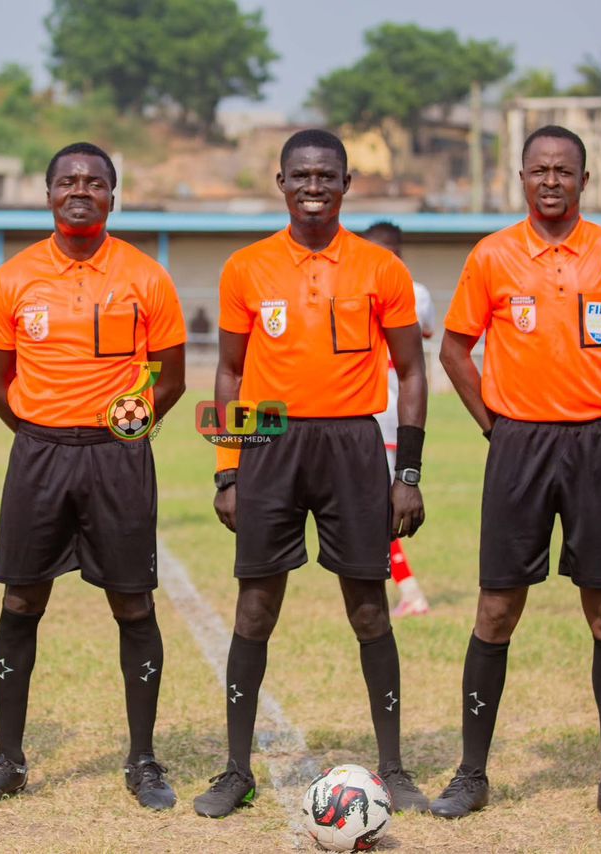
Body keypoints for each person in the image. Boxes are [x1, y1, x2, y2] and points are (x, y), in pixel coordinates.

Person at [193, 129, 431, 818]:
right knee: (255, 607)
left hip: (355, 443)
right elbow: (231, 372)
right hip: (270, 437)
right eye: (301, 175)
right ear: (281, 182)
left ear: (348, 183)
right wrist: (226, 471)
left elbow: (413, 373)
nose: (314, 186)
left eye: (327, 175)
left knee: (366, 608)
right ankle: (235, 769)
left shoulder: (379, 268)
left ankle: (393, 767)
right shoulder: (247, 267)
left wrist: (406, 471)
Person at [432, 125, 601, 827]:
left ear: (585, 182)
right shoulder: (493, 256)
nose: (553, 181)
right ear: (522, 179)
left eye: (565, 170)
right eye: (540, 170)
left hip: (597, 446)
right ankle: (472, 775)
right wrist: (495, 426)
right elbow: (453, 350)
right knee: (497, 610)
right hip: (518, 446)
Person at [0, 142, 187, 811]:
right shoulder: (14, 278)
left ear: (113, 196)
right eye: (67, 181)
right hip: (38, 458)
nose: (80, 190)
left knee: (133, 604)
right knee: (21, 602)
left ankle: (143, 760)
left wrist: (122, 429)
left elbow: (169, 377)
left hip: (118, 460)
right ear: (48, 194)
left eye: (94, 181)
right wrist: (43, 433)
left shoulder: (146, 276)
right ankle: (9, 758)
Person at [364, 222, 434, 617]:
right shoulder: (419, 293)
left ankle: (408, 591)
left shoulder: (408, 292)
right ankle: (400, 588)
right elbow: (426, 331)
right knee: (373, 505)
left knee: (378, 508)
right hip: (380, 409)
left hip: (385, 409)